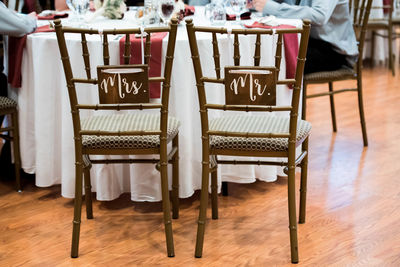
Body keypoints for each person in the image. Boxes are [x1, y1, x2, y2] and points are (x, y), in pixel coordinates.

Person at [251, 0, 358, 74]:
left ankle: (288, 106)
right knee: (267, 52)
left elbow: (319, 15)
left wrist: (273, 7)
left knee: (278, 60)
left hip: (334, 51)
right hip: (310, 41)